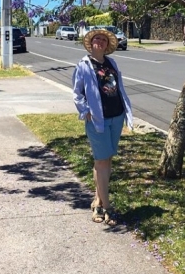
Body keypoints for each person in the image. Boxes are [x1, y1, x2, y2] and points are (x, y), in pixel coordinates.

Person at [72, 28, 133, 226]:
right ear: (91, 43)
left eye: (103, 40)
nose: (100, 41)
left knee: (105, 160)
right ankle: (106, 207)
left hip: (116, 116)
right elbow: (77, 92)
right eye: (96, 38)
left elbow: (118, 87)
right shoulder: (84, 65)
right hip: (98, 119)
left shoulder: (111, 63)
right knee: (101, 161)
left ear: (107, 45)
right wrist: (85, 110)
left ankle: (97, 200)